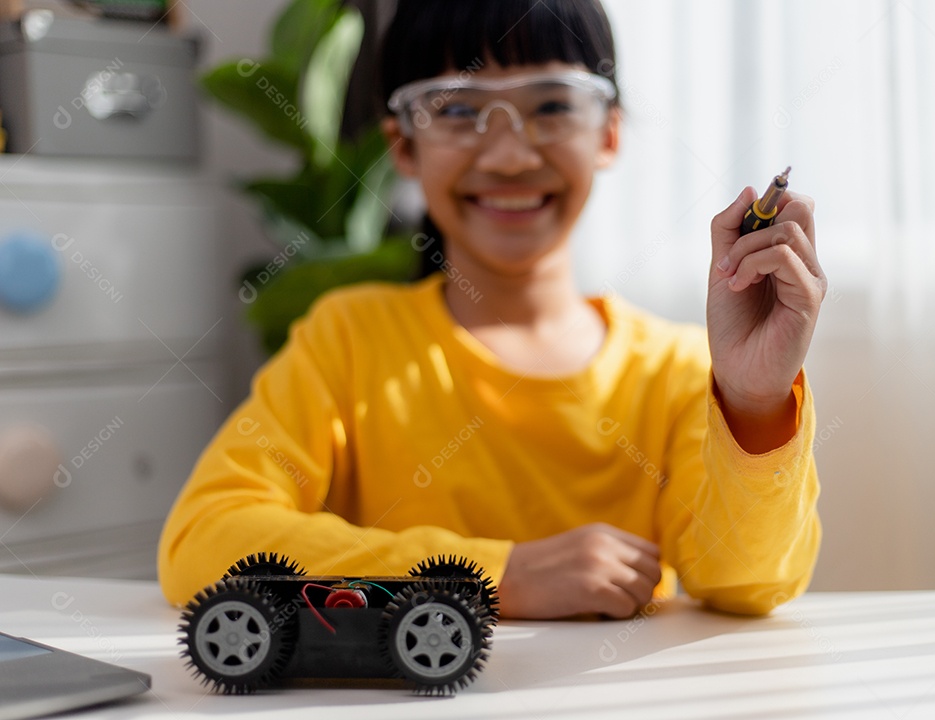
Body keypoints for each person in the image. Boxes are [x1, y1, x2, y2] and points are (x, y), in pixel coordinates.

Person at [158, 0, 826, 620]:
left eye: (553, 105)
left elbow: (746, 583)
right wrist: (496, 574)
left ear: (609, 134)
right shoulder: (348, 339)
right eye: (457, 110)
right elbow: (205, 539)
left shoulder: (680, 369)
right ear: (403, 146)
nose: (509, 155)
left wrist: (754, 401)